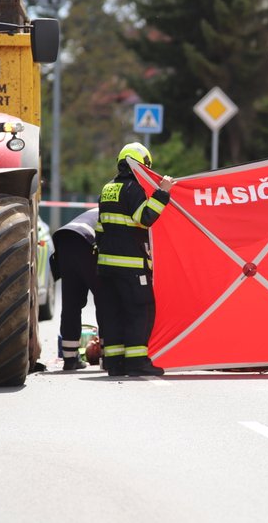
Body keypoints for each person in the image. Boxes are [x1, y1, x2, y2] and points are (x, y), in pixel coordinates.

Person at [93, 142, 175, 377]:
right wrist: (162, 193)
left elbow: (100, 228)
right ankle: (137, 362)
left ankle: (115, 363)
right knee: (141, 310)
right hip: (130, 266)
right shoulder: (133, 188)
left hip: (106, 267)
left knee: (113, 313)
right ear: (142, 166)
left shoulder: (107, 188)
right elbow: (145, 218)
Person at [50, 207, 99, 371]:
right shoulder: (123, 210)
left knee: (71, 304)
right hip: (86, 243)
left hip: (64, 241)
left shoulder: (99, 208)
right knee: (106, 302)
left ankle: (70, 359)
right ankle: (109, 359)